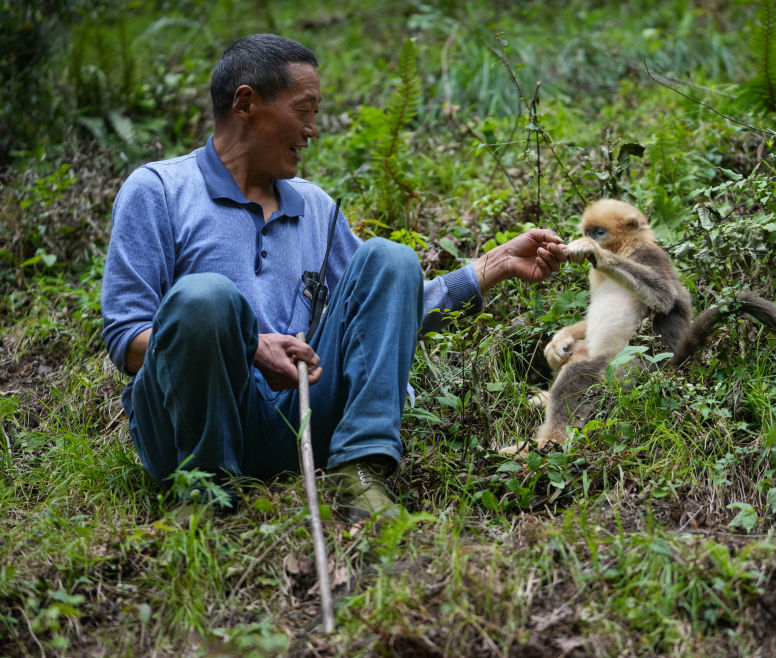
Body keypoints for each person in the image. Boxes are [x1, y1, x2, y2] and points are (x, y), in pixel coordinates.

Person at [101, 33, 567, 521]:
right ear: (246, 103)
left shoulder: (315, 207)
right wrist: (250, 346)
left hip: (300, 420)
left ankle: (360, 469)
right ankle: (203, 493)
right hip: (188, 435)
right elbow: (126, 339)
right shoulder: (158, 191)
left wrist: (496, 265)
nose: (313, 130)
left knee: (391, 258)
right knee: (204, 296)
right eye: (305, 110)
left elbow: (389, 305)